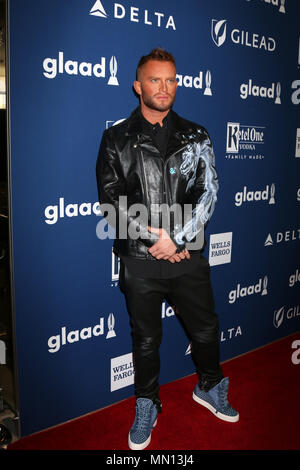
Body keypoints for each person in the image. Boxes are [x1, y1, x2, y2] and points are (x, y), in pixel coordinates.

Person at [96, 48, 239, 451]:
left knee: (206, 328)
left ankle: (210, 386)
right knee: (145, 338)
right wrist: (155, 240)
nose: (165, 87)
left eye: (171, 79)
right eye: (156, 80)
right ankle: (147, 403)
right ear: (138, 85)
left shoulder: (197, 135)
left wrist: (177, 239)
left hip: (186, 254)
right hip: (140, 261)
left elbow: (207, 193)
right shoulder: (116, 138)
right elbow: (111, 200)